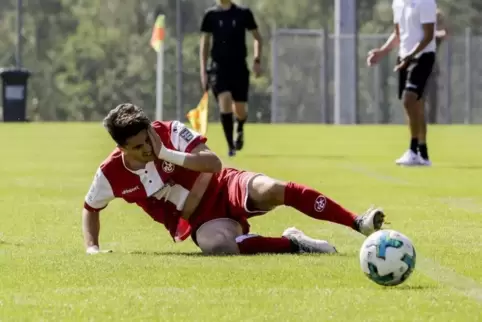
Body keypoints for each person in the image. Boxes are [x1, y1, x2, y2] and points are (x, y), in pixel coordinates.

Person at [82, 104, 386, 255]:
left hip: (226, 185)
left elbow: (213, 163)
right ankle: (294, 243)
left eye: (147, 139)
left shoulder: (170, 131)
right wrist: (92, 248)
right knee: (219, 246)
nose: (148, 148)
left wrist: (167, 154)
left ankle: (358, 223)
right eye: (138, 147)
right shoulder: (110, 173)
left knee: (273, 189)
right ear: (121, 148)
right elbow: (90, 207)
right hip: (201, 221)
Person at [367, 0, 437, 166]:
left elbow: (428, 36)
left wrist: (411, 55)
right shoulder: (398, 3)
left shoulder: (425, 2)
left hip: (423, 57)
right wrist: (382, 52)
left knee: (409, 99)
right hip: (405, 56)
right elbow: (398, 34)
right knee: (416, 105)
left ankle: (413, 151)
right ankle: (423, 154)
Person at [199, 0, 262, 157]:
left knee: (240, 110)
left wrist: (257, 60)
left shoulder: (243, 13)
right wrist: (203, 70)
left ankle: (239, 126)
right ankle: (230, 146)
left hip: (239, 68)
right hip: (219, 68)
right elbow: (205, 43)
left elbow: (257, 38)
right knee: (225, 101)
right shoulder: (211, 15)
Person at [426, 8, 449, 124]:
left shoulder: (437, 33)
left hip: (431, 69)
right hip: (416, 68)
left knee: (432, 100)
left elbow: (444, 34)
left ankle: (432, 123)